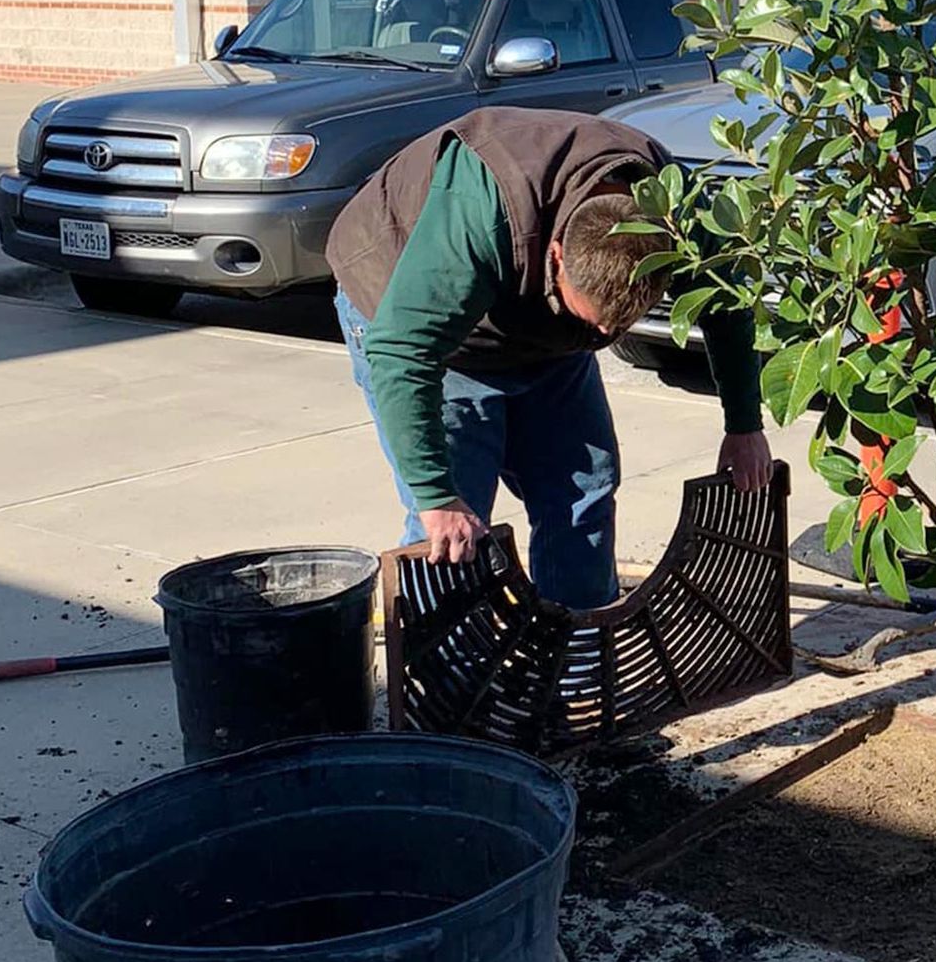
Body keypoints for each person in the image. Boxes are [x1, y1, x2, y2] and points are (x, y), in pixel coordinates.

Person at [327, 107, 771, 609]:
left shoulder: (674, 207)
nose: (605, 337)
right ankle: (449, 669)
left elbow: (726, 303)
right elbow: (401, 351)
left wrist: (743, 424)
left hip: (539, 329)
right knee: (459, 522)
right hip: (427, 326)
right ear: (557, 254)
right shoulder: (482, 209)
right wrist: (434, 495)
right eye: (593, 322)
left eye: (620, 327)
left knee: (584, 490)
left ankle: (577, 655)